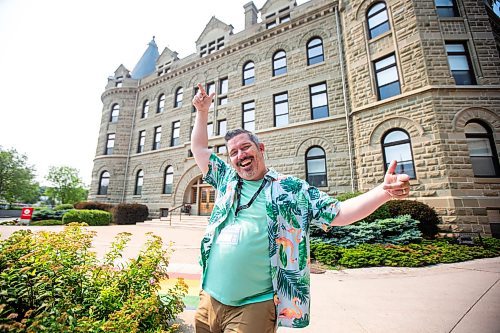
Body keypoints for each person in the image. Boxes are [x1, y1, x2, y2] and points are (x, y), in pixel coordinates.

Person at [190, 83, 410, 332]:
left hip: (252, 306)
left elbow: (339, 213)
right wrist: (202, 111)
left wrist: (382, 192)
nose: (240, 155)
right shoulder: (226, 179)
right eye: (233, 152)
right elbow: (199, 148)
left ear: (260, 149)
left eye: (245, 147)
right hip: (209, 297)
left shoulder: (290, 189)